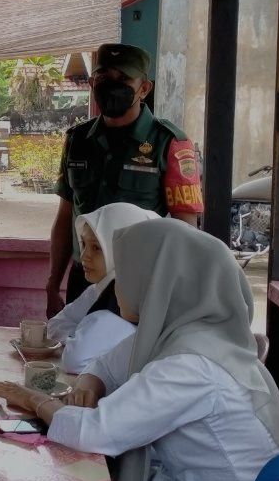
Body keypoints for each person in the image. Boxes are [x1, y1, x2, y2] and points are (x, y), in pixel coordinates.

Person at [0, 219, 279, 481]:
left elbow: (94, 433)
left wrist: (31, 398)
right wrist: (89, 384)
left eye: (129, 273)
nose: (119, 284)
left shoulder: (192, 364)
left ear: (159, 280)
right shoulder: (189, 333)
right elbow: (106, 366)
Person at [46, 43, 203, 317]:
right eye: (104, 78)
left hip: (137, 283)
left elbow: (185, 230)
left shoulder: (170, 144)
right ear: (93, 82)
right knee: (73, 355)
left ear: (144, 88)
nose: (111, 86)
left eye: (123, 79)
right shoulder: (78, 141)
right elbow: (65, 217)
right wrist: (52, 285)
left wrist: (174, 294)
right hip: (84, 278)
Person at [49, 202, 158, 374]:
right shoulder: (101, 288)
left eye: (97, 248)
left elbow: (74, 360)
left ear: (125, 249)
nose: (84, 256)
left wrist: (76, 337)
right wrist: (78, 336)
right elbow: (55, 325)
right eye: (83, 244)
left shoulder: (121, 301)